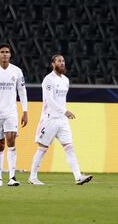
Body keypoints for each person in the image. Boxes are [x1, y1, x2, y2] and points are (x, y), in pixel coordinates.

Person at [28, 54, 93, 185]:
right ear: (53, 64)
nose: (62, 63)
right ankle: (32, 177)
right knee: (42, 148)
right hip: (50, 119)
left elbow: (61, 100)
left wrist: (64, 113)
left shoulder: (65, 80)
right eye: (59, 61)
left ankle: (78, 176)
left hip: (62, 121)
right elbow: (49, 100)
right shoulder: (48, 80)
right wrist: (65, 111)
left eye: (63, 61)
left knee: (70, 147)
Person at [0, 43, 28, 187]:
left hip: (11, 113)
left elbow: (22, 92)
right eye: (2, 52)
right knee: (0, 145)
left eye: (7, 52)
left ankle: (12, 177)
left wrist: (25, 111)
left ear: (10, 54)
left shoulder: (17, 71)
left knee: (11, 140)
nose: (5, 54)